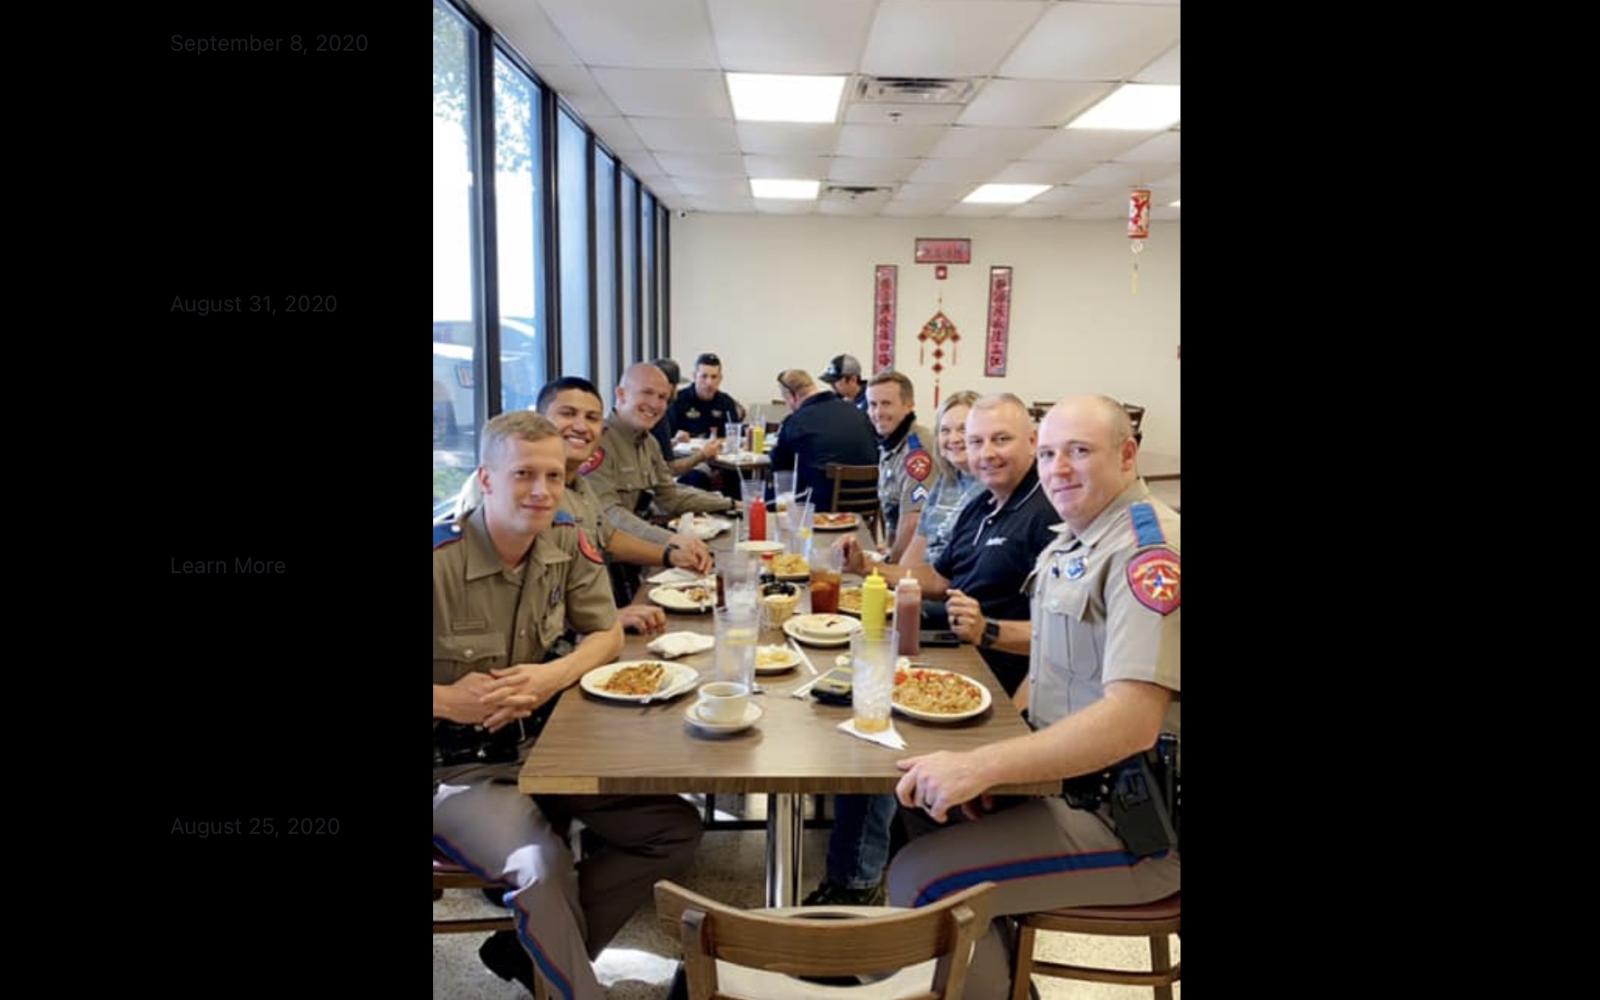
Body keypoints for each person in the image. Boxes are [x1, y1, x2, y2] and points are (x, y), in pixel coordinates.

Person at [885, 394, 1180, 1000]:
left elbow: (1131, 723)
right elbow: (1049, 675)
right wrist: (1000, 769)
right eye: (1049, 453)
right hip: (1070, 785)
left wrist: (981, 765)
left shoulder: (1149, 553)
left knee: (920, 883)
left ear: (1127, 455)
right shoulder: (1074, 541)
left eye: (1078, 451)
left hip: (1139, 823)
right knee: (918, 807)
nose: (1057, 469)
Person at [432, 410, 702, 1000]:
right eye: (523, 474)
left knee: (672, 826)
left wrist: (552, 676)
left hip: (546, 748)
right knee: (541, 866)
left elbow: (605, 633)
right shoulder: (439, 559)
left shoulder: (562, 537)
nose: (541, 491)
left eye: (553, 476)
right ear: (485, 478)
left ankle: (532, 953)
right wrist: (448, 700)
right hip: (458, 770)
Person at [836, 393, 1059, 697]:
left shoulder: (1049, 512)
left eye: (1001, 439)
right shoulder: (981, 504)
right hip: (958, 652)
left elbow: (1069, 638)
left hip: (996, 676)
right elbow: (941, 579)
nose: (987, 453)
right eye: (977, 442)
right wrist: (867, 567)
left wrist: (988, 630)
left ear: (1033, 441)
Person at [537, 376, 715, 636]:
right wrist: (605, 620)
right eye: (567, 413)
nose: (580, 426)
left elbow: (607, 537)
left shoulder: (578, 485)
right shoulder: (524, 493)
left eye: (591, 418)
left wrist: (670, 554)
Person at [583, 362, 737, 548]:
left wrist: (729, 503)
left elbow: (670, 497)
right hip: (606, 557)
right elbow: (608, 515)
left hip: (640, 550)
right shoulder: (596, 443)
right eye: (646, 393)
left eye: (663, 397)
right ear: (621, 394)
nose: (655, 404)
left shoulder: (649, 443)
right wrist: (669, 541)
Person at [767, 368, 878, 511]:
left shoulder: (796, 422)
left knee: (767, 496)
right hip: (867, 502)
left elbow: (780, 469)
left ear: (792, 396)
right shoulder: (858, 412)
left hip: (820, 507)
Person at [902, 390, 984, 570]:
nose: (953, 439)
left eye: (963, 429)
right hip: (923, 586)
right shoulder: (946, 480)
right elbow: (917, 547)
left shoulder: (991, 488)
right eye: (945, 430)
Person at [864, 371, 935, 565]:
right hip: (903, 555)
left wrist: (889, 565)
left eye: (886, 404)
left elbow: (914, 522)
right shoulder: (891, 443)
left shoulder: (917, 451)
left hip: (923, 565)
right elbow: (894, 518)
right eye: (872, 404)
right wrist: (889, 550)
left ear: (908, 405)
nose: (878, 413)